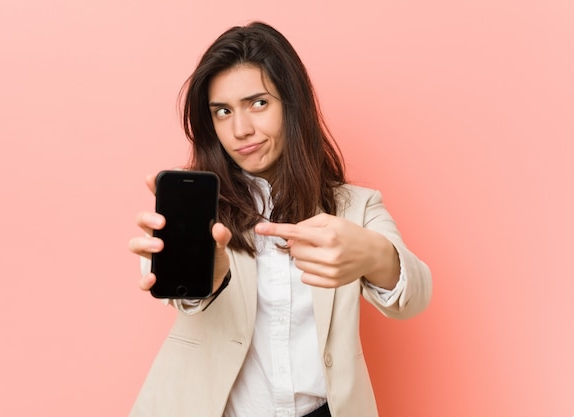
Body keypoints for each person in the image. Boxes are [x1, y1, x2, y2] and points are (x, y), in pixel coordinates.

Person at [128, 21, 432, 417]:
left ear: (292, 105)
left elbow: (416, 298)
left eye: (258, 103)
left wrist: (374, 255)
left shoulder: (354, 206)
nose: (241, 130)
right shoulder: (198, 208)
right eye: (222, 112)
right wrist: (207, 280)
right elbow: (178, 293)